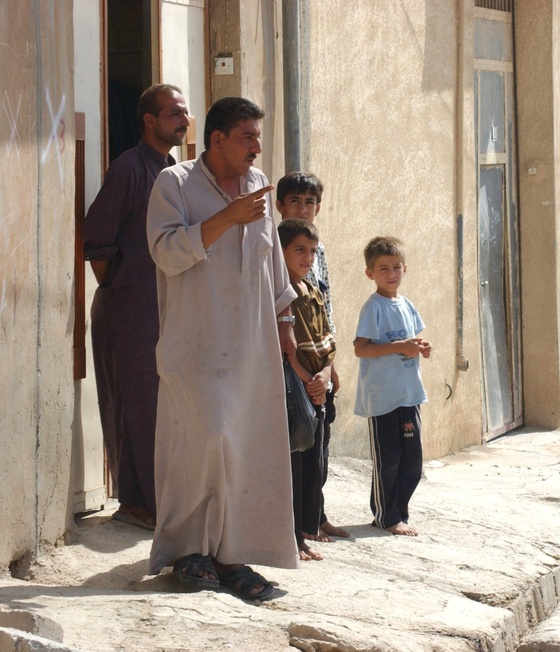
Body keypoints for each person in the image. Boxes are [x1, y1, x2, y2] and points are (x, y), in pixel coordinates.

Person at [145, 96, 298, 601]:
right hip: (195, 346)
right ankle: (189, 550)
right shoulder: (175, 183)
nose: (257, 146)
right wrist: (226, 219)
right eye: (247, 136)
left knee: (243, 450)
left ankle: (233, 557)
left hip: (251, 352)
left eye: (259, 136)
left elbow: (271, 264)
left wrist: (286, 326)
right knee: (203, 442)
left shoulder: (258, 186)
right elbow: (166, 253)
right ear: (217, 140)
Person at [83, 83, 190, 531]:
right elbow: (97, 239)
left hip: (164, 308)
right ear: (149, 120)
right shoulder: (129, 168)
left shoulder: (176, 172)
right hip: (128, 307)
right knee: (134, 402)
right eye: (173, 113)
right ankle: (138, 501)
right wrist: (118, 288)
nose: (183, 121)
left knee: (160, 405)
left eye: (185, 113)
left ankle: (148, 498)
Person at [275, 173, 349, 542]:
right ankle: (298, 527)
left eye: (309, 202)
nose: (303, 208)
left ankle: (316, 516)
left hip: (319, 363)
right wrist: (308, 375)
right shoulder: (277, 252)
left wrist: (329, 367)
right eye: (295, 201)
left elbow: (326, 309)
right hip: (295, 371)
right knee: (298, 449)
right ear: (280, 206)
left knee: (320, 447)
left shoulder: (316, 253)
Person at [354, 236, 431, 536]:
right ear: (370, 273)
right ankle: (385, 516)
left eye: (396, 267)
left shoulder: (407, 304)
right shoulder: (372, 307)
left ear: (405, 269)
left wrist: (421, 347)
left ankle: (400, 511)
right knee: (388, 459)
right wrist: (400, 347)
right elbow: (361, 348)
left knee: (412, 460)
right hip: (382, 399)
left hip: (408, 396)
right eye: (383, 268)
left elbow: (413, 341)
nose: (391, 274)